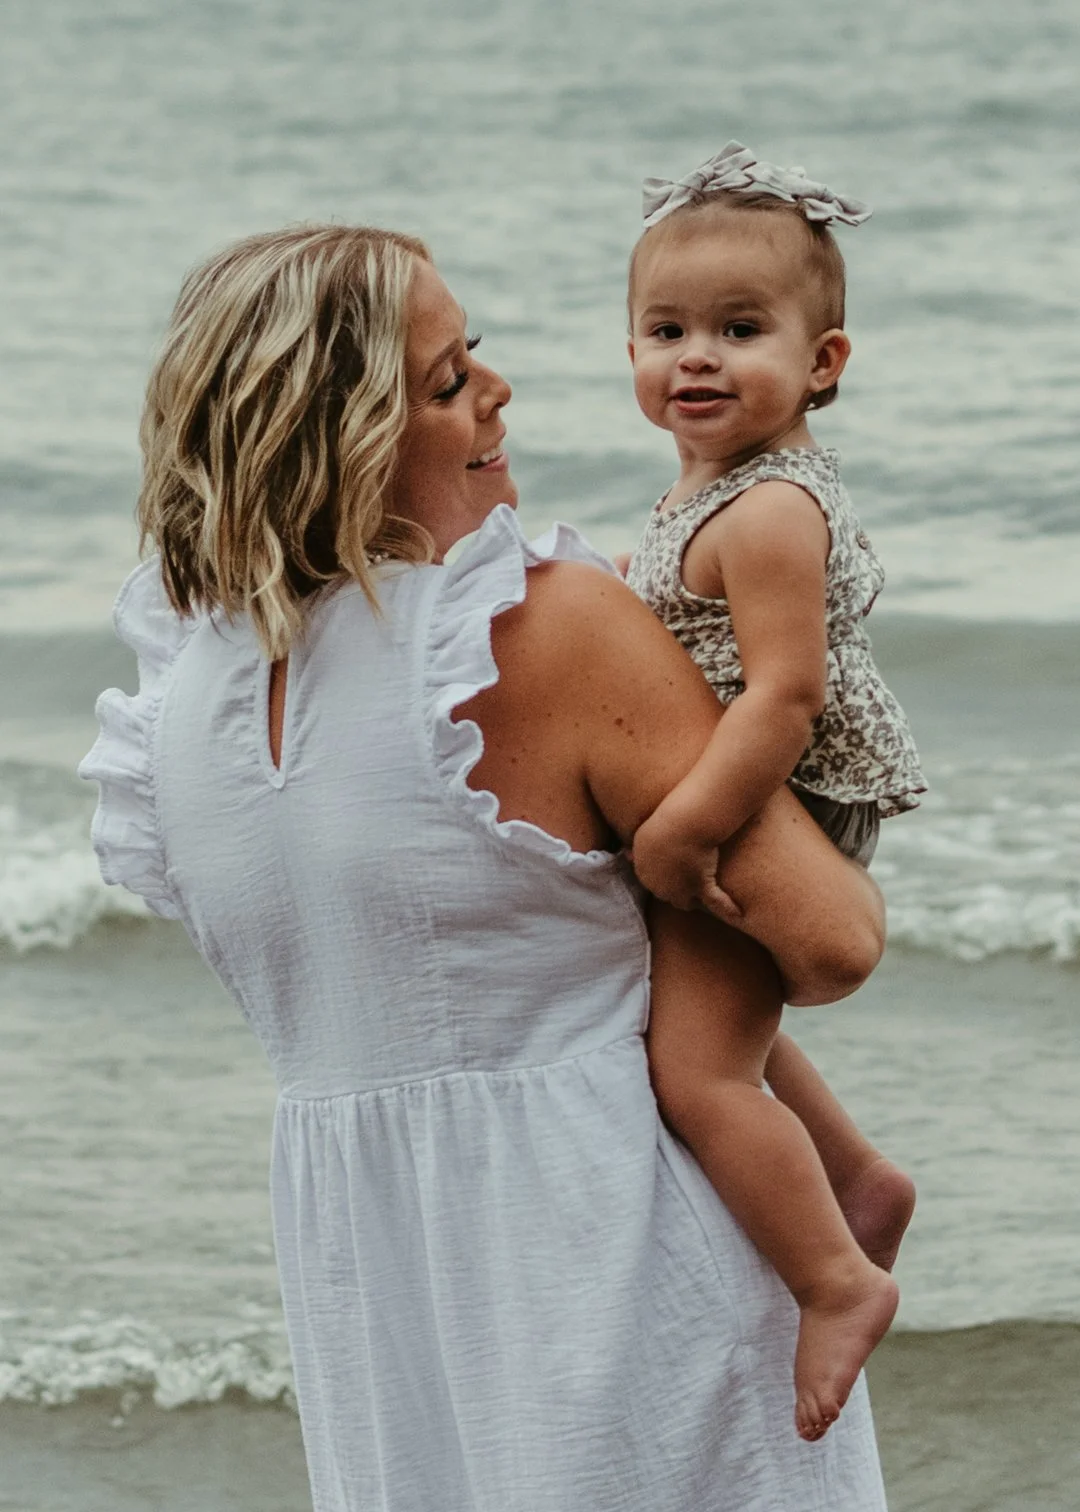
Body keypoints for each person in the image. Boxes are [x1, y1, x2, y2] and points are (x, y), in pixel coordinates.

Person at [80, 224, 891, 1510]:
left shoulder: (175, 702)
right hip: (622, 1271)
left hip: (377, 1304)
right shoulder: (538, 624)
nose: (498, 392)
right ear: (344, 436)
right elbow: (833, 943)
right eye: (451, 381)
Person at [620, 142, 924, 1439]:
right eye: (667, 331)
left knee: (698, 1078)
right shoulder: (714, 482)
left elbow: (785, 696)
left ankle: (835, 1278)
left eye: (740, 331)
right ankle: (856, 1178)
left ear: (823, 362)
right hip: (761, 785)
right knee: (722, 1030)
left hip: (777, 793)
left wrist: (685, 828)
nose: (696, 358)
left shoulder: (768, 512)